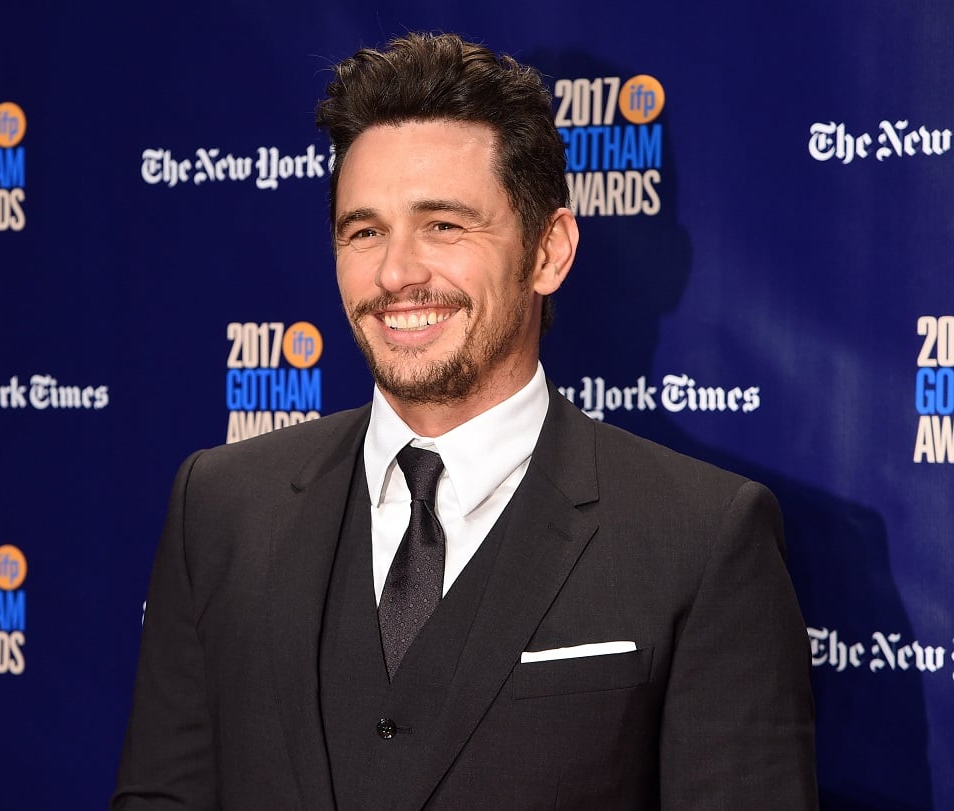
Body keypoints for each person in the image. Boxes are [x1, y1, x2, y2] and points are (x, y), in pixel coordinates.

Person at [113, 32, 817, 810]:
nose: (395, 273)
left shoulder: (701, 534)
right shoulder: (219, 506)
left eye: (443, 225)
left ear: (549, 251)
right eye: (364, 230)